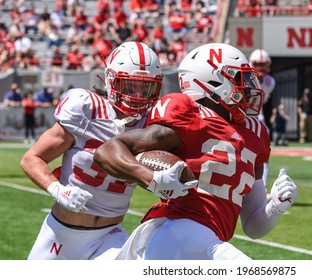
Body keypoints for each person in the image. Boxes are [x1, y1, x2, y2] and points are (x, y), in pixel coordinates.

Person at [93, 43, 298, 260]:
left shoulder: (256, 133)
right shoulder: (191, 116)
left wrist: (276, 206)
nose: (248, 85)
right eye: (239, 78)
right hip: (179, 234)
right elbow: (107, 150)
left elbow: (253, 227)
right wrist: (151, 178)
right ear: (212, 81)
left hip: (207, 240)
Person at [20, 41, 164, 260]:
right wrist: (58, 190)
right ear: (111, 80)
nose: (138, 94)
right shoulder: (87, 108)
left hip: (109, 236)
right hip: (60, 233)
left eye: (146, 87)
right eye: (130, 85)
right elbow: (32, 158)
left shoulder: (153, 124)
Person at [249, 48, 276, 186]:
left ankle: (261, 187)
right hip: (242, 117)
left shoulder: (270, 82)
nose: (261, 68)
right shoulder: (245, 78)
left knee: (263, 156)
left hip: (256, 117)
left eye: (263, 64)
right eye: (258, 64)